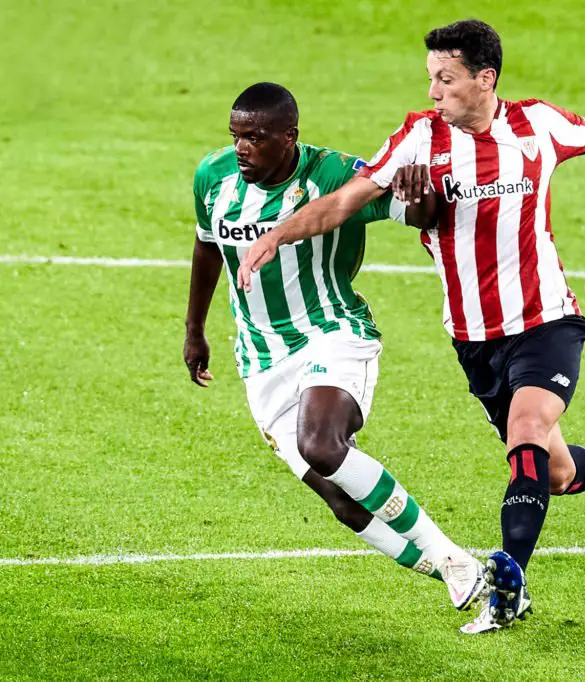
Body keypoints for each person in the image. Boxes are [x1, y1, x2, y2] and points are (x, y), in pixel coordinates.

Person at [236, 21, 585, 633]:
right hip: (475, 341)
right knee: (554, 472)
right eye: (431, 78)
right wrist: (278, 233)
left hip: (546, 321)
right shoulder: (418, 137)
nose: (434, 91)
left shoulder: (537, 125)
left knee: (527, 431)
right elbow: (346, 200)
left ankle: (510, 581)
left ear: (485, 79)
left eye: (446, 78)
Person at [184, 82, 487, 611]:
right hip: (261, 356)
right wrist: (194, 328)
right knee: (343, 502)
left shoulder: (334, 174)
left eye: (254, 138)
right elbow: (207, 245)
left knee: (322, 446)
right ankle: (463, 573)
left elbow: (419, 215)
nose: (241, 149)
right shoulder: (214, 176)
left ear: (289, 136)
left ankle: (451, 557)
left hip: (331, 332)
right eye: (235, 136)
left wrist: (419, 193)